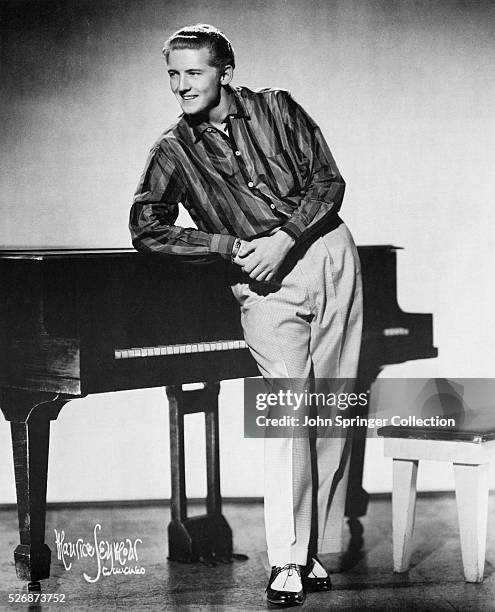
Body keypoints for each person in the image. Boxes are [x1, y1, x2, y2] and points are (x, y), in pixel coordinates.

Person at [129, 23, 363, 607]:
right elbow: (145, 226)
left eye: (193, 72)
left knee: (332, 405)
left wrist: (285, 237)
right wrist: (227, 247)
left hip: (328, 254)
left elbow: (327, 181)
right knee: (286, 411)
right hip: (262, 283)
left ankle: (311, 554)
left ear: (225, 73)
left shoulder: (279, 110)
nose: (181, 86)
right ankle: (286, 557)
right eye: (173, 75)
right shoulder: (172, 151)